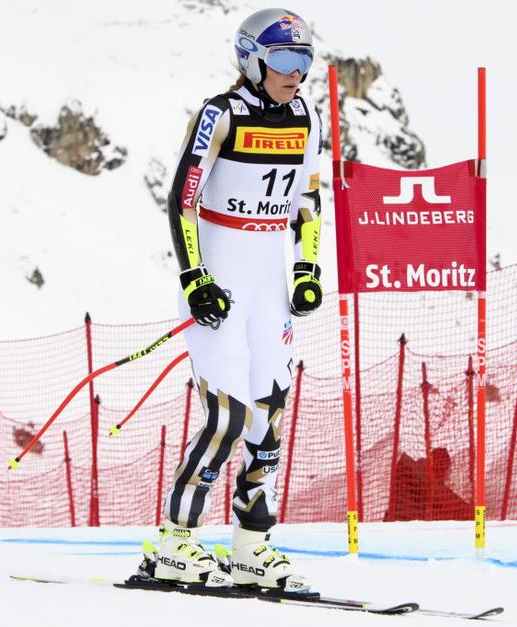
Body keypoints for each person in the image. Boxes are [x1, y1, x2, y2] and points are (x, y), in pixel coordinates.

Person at [152, 8, 322, 592]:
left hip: (269, 282)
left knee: (268, 417)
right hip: (220, 281)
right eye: (283, 59)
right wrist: (194, 277)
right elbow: (183, 199)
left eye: (303, 60)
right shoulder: (221, 114)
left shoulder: (305, 116)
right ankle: (175, 541)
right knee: (226, 418)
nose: (295, 73)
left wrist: (306, 267)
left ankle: (251, 546)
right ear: (252, 60)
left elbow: (307, 197)